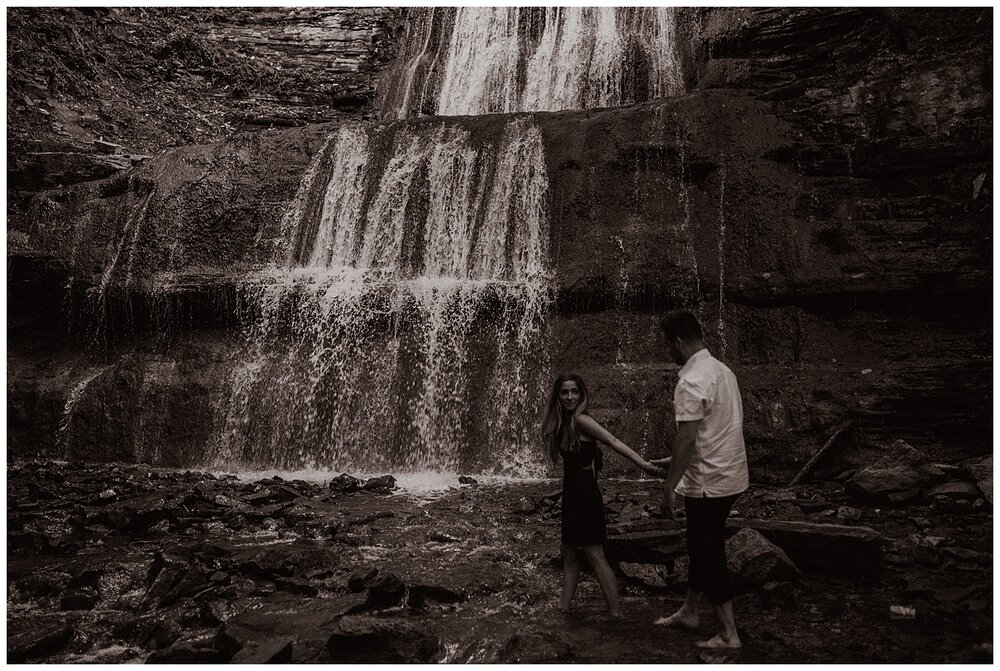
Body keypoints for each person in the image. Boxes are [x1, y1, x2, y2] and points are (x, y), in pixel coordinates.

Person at [652, 310, 749, 649]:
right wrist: (675, 460)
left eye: (668, 346)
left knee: (708, 553)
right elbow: (716, 427)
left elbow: (687, 438)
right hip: (730, 475)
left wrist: (669, 489)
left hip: (708, 483)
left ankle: (728, 634)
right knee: (700, 544)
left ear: (679, 342)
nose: (668, 353)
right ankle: (690, 611)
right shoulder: (722, 371)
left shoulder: (690, 380)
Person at [542, 372, 663, 618]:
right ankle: (564, 609)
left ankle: (615, 614)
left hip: (585, 494)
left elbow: (614, 441)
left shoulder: (582, 420)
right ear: (557, 395)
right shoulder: (561, 423)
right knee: (569, 552)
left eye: (574, 391)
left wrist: (644, 465)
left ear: (582, 394)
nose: (569, 396)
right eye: (564, 392)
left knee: (594, 554)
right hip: (572, 493)